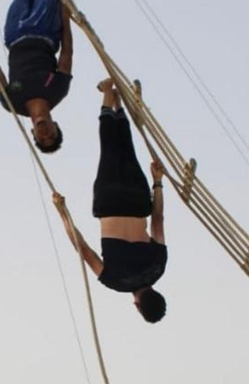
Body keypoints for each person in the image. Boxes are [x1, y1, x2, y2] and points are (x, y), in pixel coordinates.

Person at [53, 79, 168, 323]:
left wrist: (157, 182)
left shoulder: (159, 267)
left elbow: (157, 221)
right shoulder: (115, 281)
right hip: (110, 204)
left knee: (126, 150)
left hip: (138, 203)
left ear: (158, 294)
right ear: (138, 307)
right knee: (108, 148)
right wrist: (63, 212)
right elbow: (83, 250)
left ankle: (117, 103)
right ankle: (107, 94)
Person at [0, 0, 73, 153]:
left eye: (41, 139)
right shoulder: (58, 90)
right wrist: (65, 19)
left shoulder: (12, 103)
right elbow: (66, 54)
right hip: (43, 29)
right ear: (55, 126)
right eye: (51, 136)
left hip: (14, 35)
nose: (45, 134)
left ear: (33, 134)